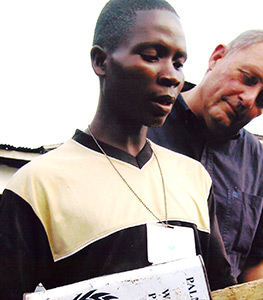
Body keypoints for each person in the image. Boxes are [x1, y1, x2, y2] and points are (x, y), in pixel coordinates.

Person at [0, 0, 236, 298]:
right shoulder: (38, 185)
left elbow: (223, 288)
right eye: (152, 56)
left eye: (179, 63)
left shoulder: (194, 178)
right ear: (101, 61)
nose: (173, 76)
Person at [148, 29, 263, 283]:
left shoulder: (256, 159)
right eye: (248, 78)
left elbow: (256, 260)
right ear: (217, 57)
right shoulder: (145, 124)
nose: (248, 99)